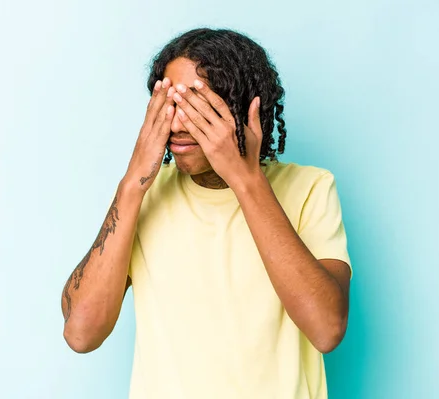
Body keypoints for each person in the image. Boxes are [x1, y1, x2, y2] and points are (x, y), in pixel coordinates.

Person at [61, 28, 352, 399]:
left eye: (200, 109)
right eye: (170, 106)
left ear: (246, 110)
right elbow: (81, 332)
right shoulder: (144, 194)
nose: (179, 125)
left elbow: (327, 329)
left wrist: (245, 181)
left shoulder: (310, 188)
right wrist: (133, 181)